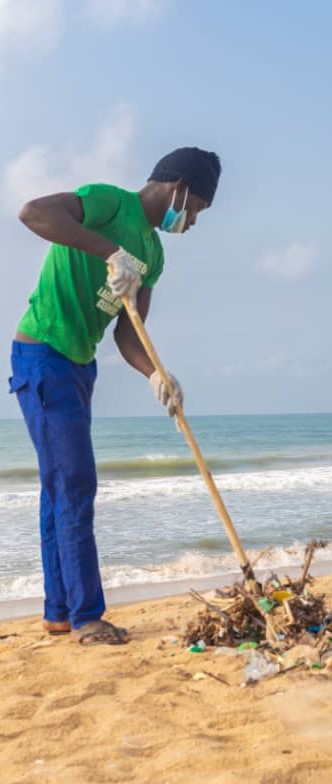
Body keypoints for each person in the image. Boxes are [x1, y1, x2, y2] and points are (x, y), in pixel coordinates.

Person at [8, 147, 221, 646]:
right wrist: (109, 252)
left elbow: (130, 334)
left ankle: (59, 612)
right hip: (42, 355)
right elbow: (33, 213)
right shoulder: (108, 202)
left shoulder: (156, 255)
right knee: (76, 484)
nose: (190, 222)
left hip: (81, 366)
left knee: (59, 489)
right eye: (195, 210)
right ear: (178, 187)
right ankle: (87, 617)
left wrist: (157, 376)